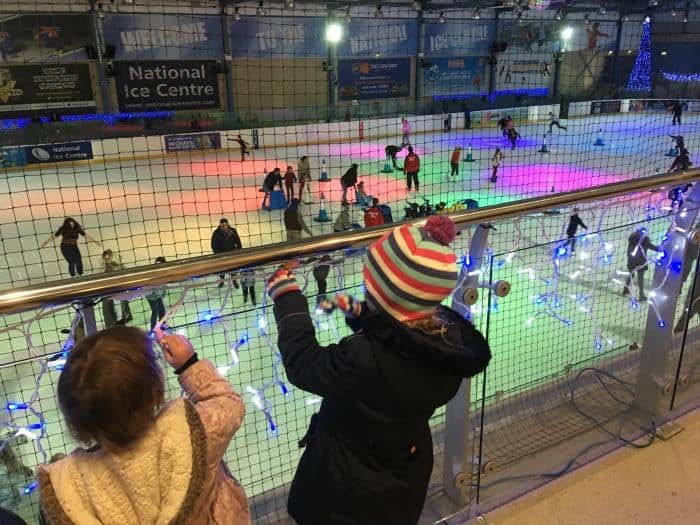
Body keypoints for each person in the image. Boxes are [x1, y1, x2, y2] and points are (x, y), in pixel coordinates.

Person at [265, 215, 491, 525]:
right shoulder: (447, 343)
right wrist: (370, 315)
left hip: (346, 488)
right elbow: (399, 329)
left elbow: (304, 365)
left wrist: (287, 297)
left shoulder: (364, 357)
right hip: (405, 477)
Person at [37, 326, 250, 524]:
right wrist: (189, 365)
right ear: (155, 393)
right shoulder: (193, 434)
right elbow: (227, 403)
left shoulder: (71, 486)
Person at [623, 228, 661, 301]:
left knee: (631, 275)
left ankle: (625, 290)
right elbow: (653, 247)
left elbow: (629, 252)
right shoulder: (644, 240)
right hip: (640, 262)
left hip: (632, 261)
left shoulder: (632, 239)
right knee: (640, 279)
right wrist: (660, 248)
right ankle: (641, 295)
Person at [101, 250, 133, 328]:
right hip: (110, 299)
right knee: (112, 324)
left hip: (119, 296)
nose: (108, 260)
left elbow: (125, 272)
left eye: (109, 258)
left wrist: (120, 263)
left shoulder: (117, 266)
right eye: (106, 259)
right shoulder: (104, 270)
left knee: (122, 322)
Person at [211, 218, 243, 288]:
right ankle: (222, 280)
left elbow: (238, 242)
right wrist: (218, 255)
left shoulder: (233, 231)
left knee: (234, 269)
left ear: (227, 225)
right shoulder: (216, 233)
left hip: (232, 255)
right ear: (220, 225)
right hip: (221, 255)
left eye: (224, 225)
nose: (223, 227)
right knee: (222, 269)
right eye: (222, 226)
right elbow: (213, 246)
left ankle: (234, 281)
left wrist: (238, 251)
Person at [145, 256, 167, 330]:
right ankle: (153, 328)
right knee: (155, 311)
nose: (158, 265)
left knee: (162, 310)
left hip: (158, 295)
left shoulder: (163, 272)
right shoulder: (152, 272)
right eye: (157, 263)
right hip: (151, 295)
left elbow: (164, 284)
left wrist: (163, 293)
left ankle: (162, 324)